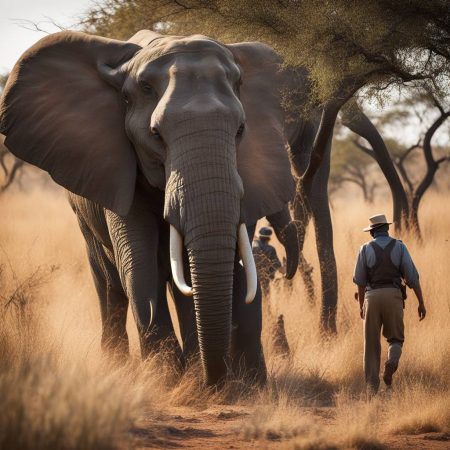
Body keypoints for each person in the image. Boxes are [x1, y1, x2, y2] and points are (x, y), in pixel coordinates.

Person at [353, 214, 426, 395]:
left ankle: (371, 390)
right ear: (386, 229)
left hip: (371, 297)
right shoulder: (400, 247)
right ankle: (392, 362)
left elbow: (360, 282)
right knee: (395, 339)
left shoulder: (364, 249)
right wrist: (421, 302)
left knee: (371, 345)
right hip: (394, 296)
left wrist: (361, 305)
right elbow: (412, 278)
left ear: (373, 232)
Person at [252, 226, 283, 295]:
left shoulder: (253, 245)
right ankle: (267, 305)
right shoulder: (271, 249)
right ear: (269, 238)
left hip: (251, 275)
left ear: (260, 236)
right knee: (266, 294)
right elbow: (277, 264)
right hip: (265, 276)